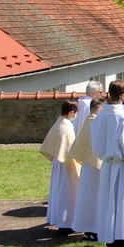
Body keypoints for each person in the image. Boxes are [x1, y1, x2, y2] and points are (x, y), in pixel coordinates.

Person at [91, 80, 124, 247]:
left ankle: (110, 239)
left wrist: (104, 156)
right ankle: (121, 241)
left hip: (107, 165)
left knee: (108, 203)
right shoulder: (123, 116)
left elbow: (95, 142)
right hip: (121, 166)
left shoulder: (101, 115)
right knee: (121, 203)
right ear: (121, 95)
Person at [40, 100, 81, 235]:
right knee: (67, 194)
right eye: (75, 113)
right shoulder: (66, 127)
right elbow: (71, 150)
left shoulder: (60, 123)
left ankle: (63, 221)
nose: (76, 116)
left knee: (61, 192)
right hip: (66, 166)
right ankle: (66, 223)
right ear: (70, 113)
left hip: (60, 163)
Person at [69, 97, 105, 241]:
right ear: (100, 109)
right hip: (96, 167)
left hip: (87, 167)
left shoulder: (86, 122)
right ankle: (94, 228)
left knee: (86, 196)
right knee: (96, 197)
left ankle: (86, 229)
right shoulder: (96, 123)